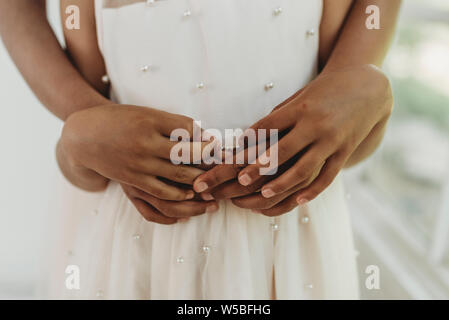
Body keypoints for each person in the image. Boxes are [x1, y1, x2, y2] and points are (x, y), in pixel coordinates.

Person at [0, 0, 401, 299]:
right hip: (135, 221)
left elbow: (347, 123)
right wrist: (83, 117)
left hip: (292, 230)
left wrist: (363, 87)